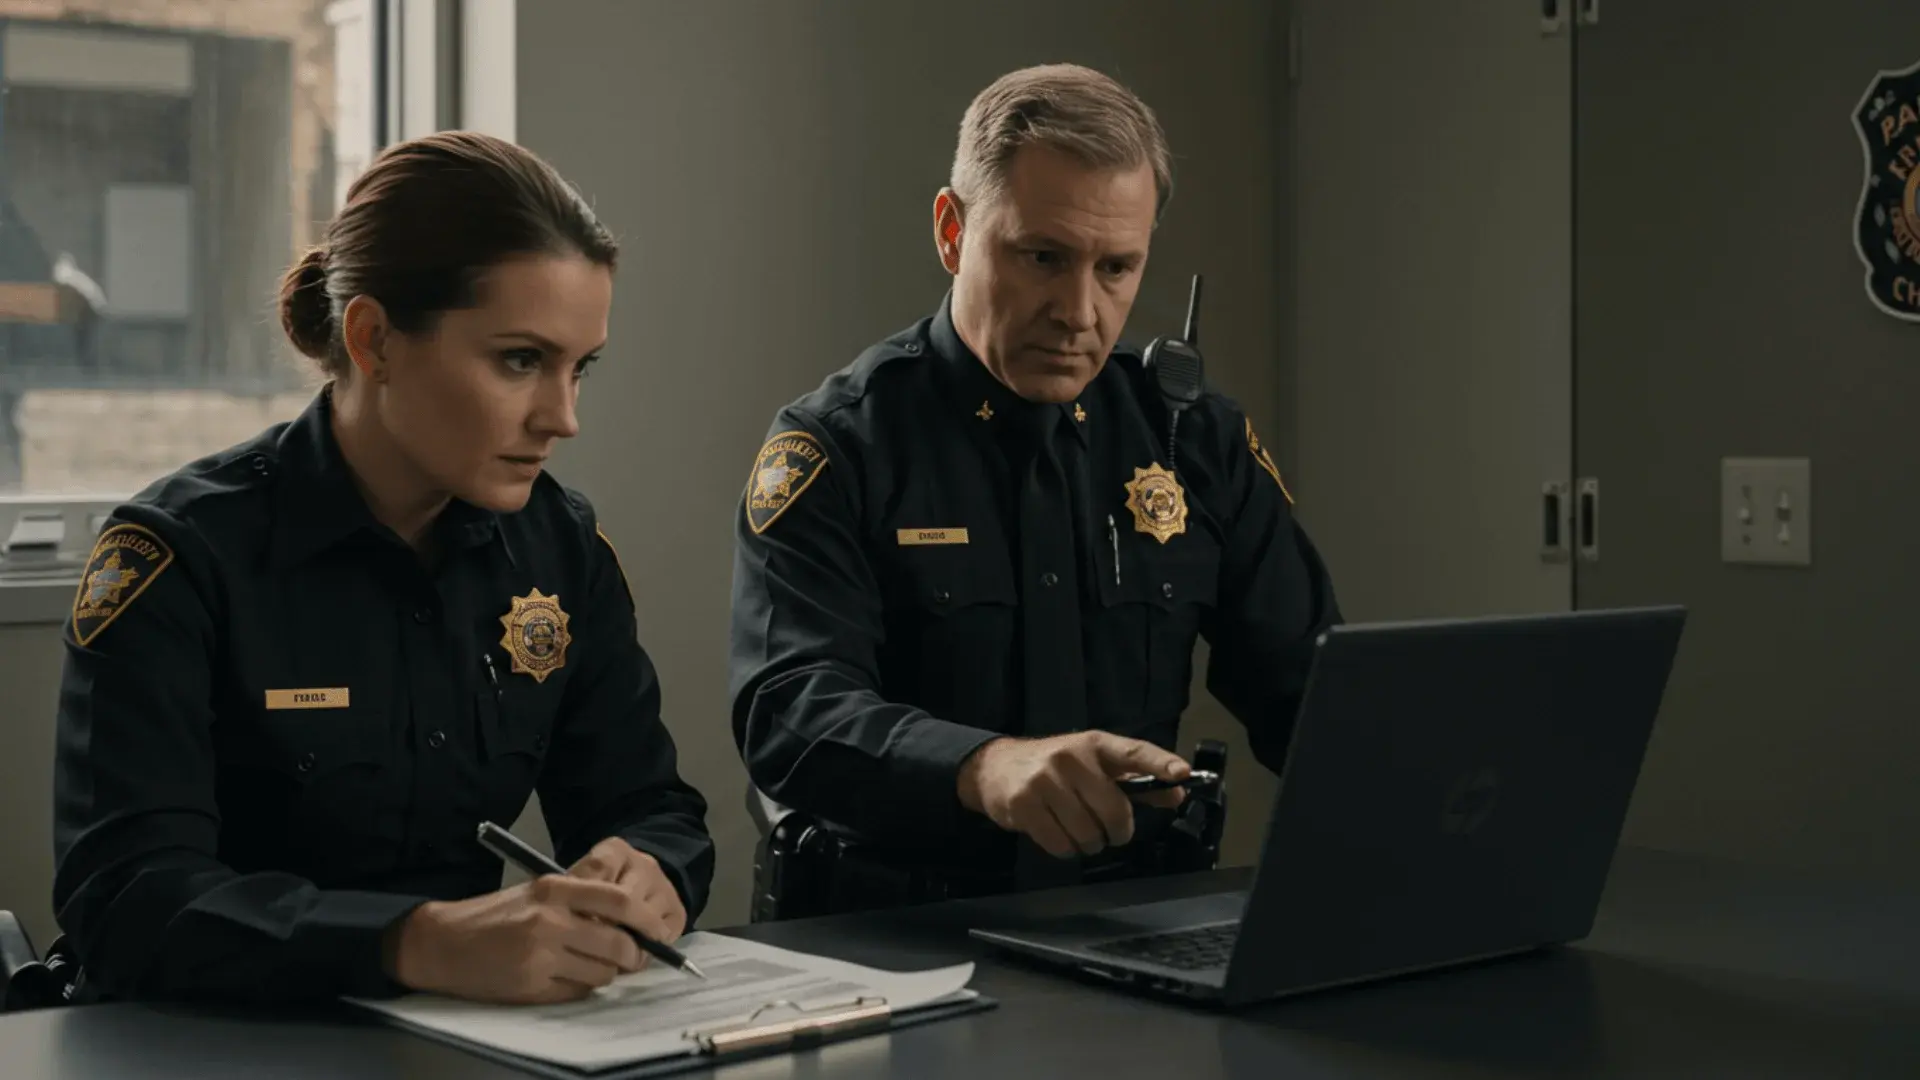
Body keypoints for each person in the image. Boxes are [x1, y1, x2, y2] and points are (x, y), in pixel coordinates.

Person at [49, 131, 713, 1006]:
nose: (563, 417)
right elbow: (127, 899)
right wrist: (415, 942)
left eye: (579, 368)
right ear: (374, 339)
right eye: (520, 360)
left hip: (471, 1033)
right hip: (204, 1042)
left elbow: (654, 807)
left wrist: (650, 870)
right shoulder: (174, 557)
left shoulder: (562, 551)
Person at [727, 64, 1341, 912]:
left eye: (1117, 269)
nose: (1079, 311)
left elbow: (1309, 695)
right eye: (1044, 258)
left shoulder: (1197, 441)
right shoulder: (837, 445)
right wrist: (984, 767)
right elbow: (790, 712)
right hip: (899, 941)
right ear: (953, 232)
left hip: (1134, 927)